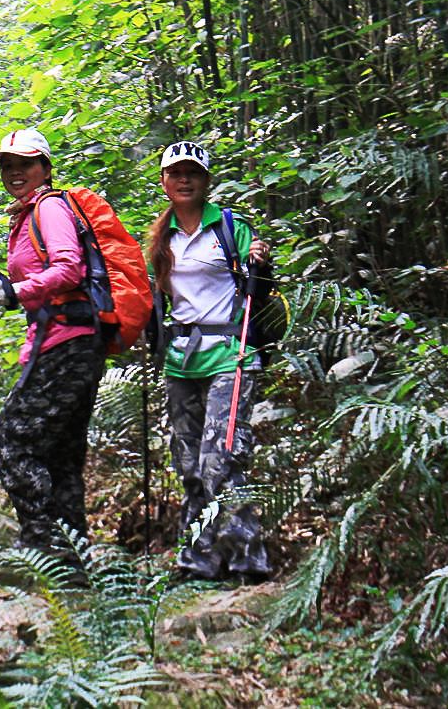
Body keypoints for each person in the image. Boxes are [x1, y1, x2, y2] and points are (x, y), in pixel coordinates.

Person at [0, 129, 107, 565]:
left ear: (45, 168)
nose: (14, 172)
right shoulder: (28, 214)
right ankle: (72, 561)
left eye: (25, 163)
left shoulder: (49, 207)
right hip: (69, 340)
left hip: (68, 343)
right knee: (61, 455)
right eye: (7, 166)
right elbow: (33, 283)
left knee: (11, 439)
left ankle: (42, 544)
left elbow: (68, 270)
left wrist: (11, 291)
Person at [147, 140, 274, 583]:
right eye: (176, 173)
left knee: (220, 459)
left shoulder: (231, 228)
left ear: (206, 180)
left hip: (230, 355)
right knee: (188, 465)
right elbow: (160, 300)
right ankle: (199, 558)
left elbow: (259, 288)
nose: (184, 180)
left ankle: (248, 558)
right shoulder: (161, 238)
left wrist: (261, 263)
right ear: (164, 181)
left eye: (193, 173)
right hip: (181, 361)